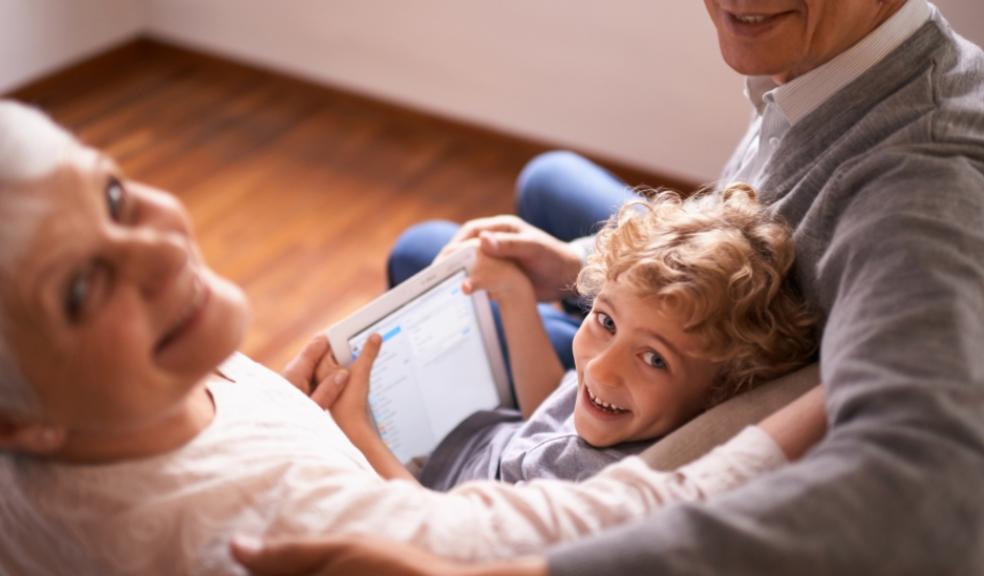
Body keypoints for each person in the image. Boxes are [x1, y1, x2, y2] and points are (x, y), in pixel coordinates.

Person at [235, 0, 984, 574]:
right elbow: (729, 225)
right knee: (532, 193)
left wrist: (529, 568)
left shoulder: (922, 190)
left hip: (684, 385)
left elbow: (928, 492)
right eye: (601, 320)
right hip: (695, 335)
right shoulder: (828, 63)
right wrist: (570, 272)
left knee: (424, 252)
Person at [0, 100, 827, 575]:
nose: (157, 248)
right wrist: (858, 373)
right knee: (436, 248)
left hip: (456, 446)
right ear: (22, 426)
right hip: (437, 464)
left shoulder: (68, 422)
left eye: (112, 196)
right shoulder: (287, 531)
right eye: (78, 288)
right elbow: (647, 500)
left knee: (436, 249)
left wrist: (281, 404)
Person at [333, 186, 816, 488]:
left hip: (414, 489)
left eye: (653, 359)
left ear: (722, 393)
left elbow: (439, 532)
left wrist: (359, 435)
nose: (603, 368)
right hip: (470, 442)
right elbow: (546, 412)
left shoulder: (591, 492)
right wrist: (517, 299)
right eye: (605, 321)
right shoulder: (617, 409)